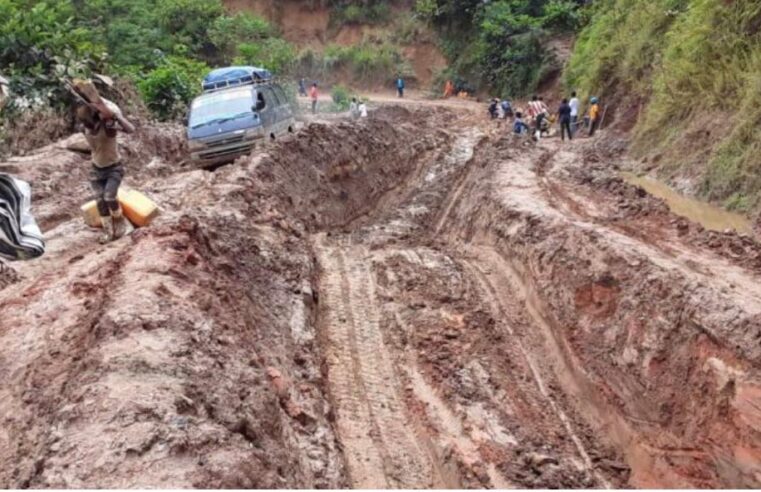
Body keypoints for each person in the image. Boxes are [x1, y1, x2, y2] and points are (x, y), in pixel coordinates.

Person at [73, 80, 136, 243]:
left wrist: (117, 117)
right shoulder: (85, 129)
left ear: (94, 118)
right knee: (99, 200)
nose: (84, 122)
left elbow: (130, 130)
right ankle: (108, 231)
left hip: (114, 168)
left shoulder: (108, 128)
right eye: (83, 120)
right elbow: (92, 147)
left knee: (109, 197)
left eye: (86, 119)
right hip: (96, 169)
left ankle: (122, 225)